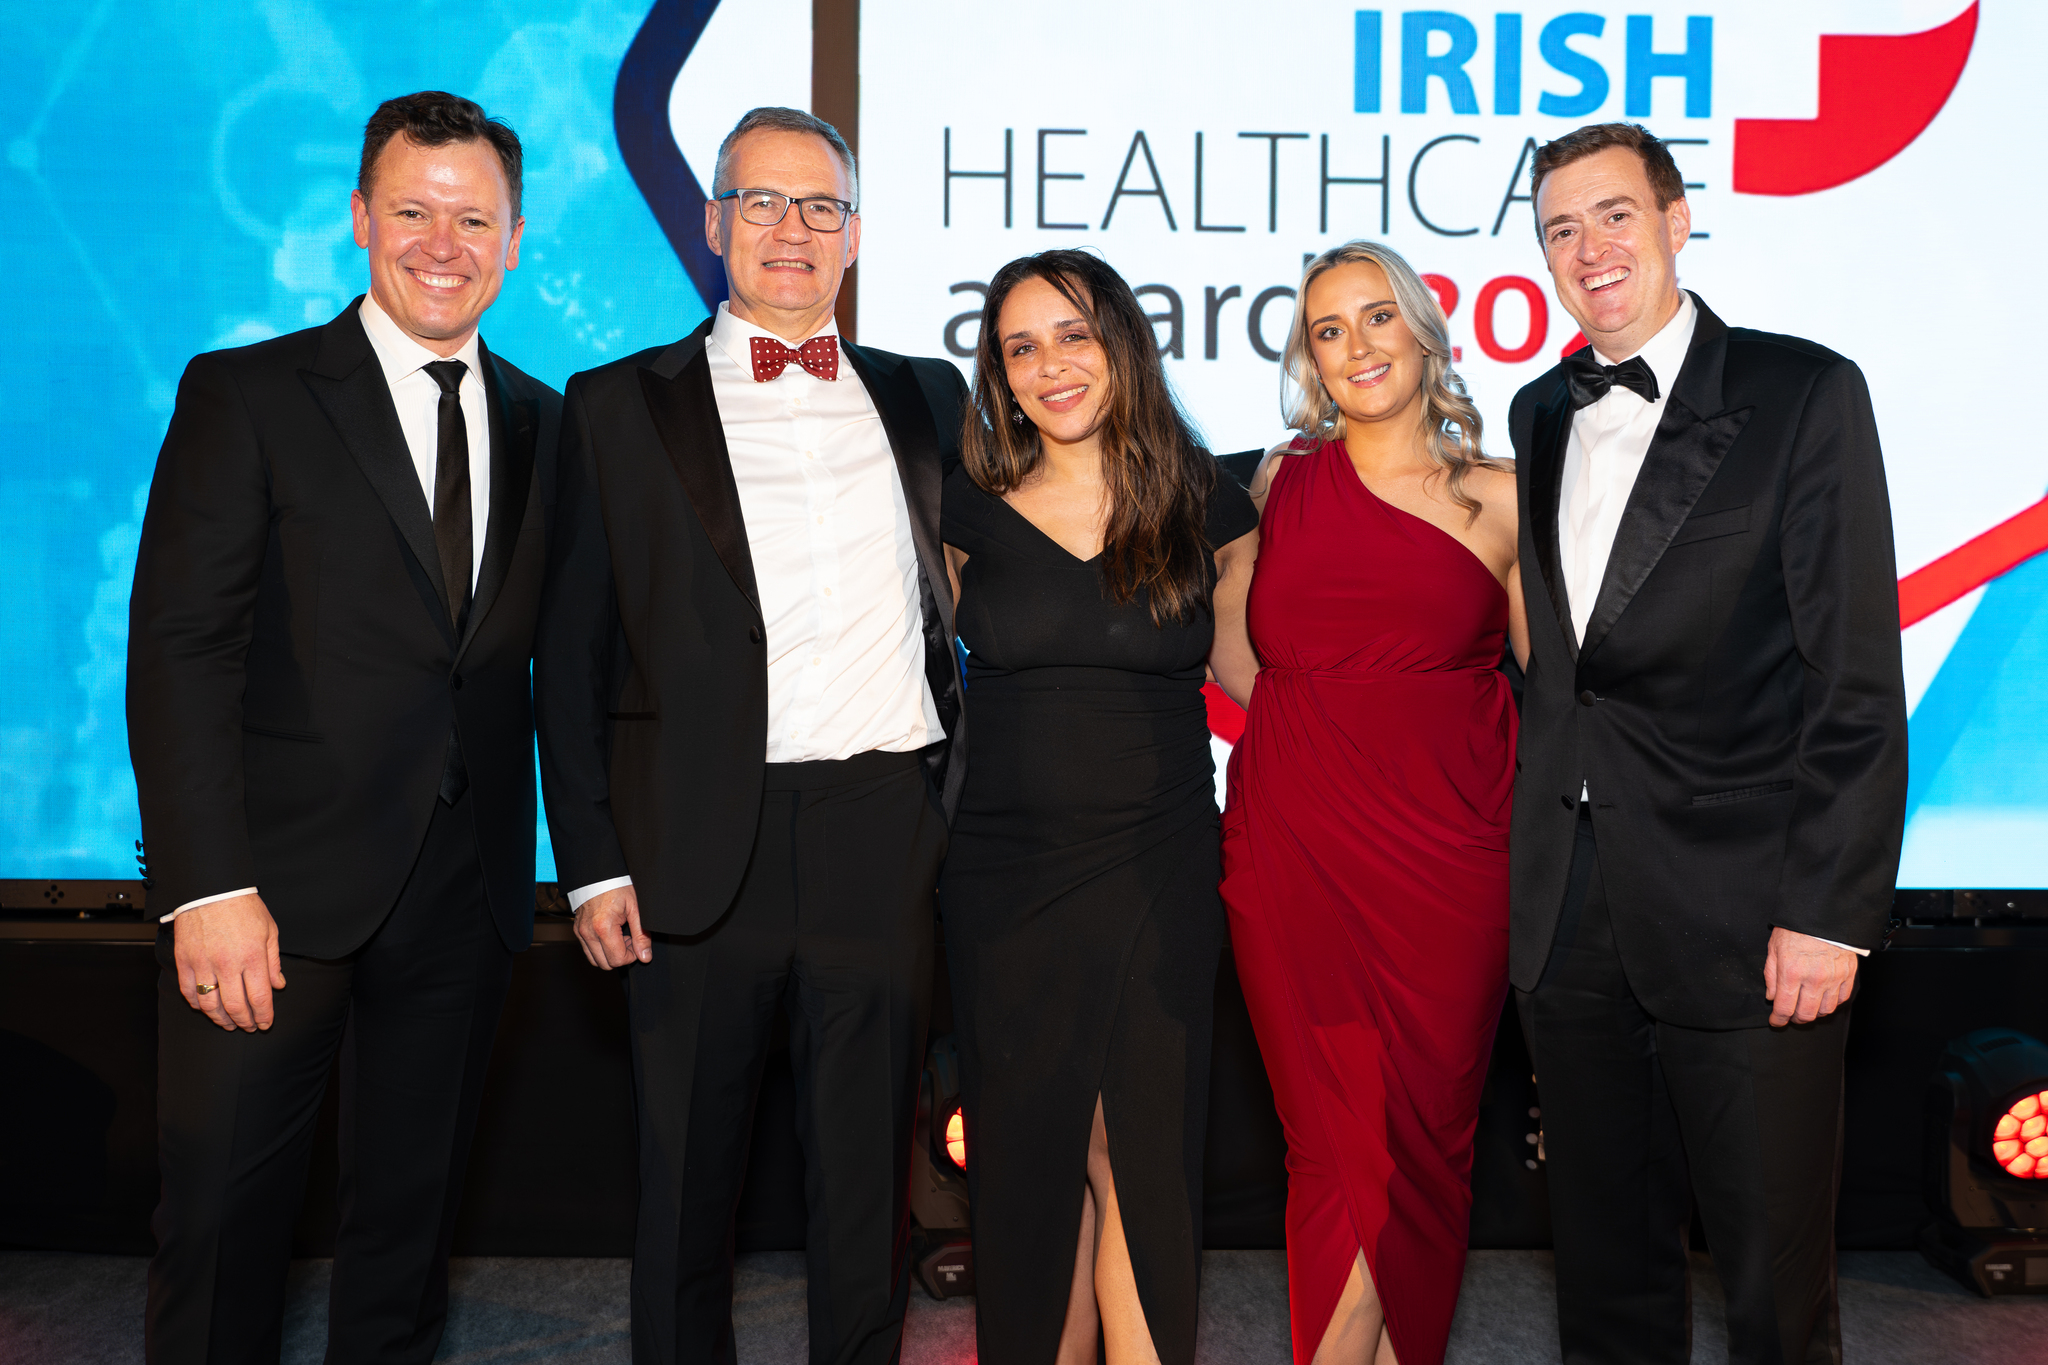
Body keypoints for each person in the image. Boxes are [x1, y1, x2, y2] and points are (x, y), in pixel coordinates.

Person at [128, 92, 558, 1362]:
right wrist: (206, 885)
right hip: (266, 898)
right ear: (361, 218)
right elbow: (180, 651)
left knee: (406, 1243)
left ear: (515, 238)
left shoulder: (546, 421)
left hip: (464, 897)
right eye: (414, 211)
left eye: (473, 219)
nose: (443, 244)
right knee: (222, 1231)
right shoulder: (247, 393)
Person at [534, 106, 968, 1365]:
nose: (791, 228)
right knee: (684, 1185)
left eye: (818, 205)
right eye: (762, 202)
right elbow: (569, 653)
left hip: (881, 835)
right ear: (713, 222)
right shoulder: (615, 403)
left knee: (866, 1187)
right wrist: (591, 864)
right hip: (687, 845)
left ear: (853, 235)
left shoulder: (926, 394)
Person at [1507, 122, 1907, 1365]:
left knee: (1770, 1293)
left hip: (1749, 915)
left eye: (1613, 214)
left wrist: (1827, 913)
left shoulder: (1801, 393)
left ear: (1676, 222)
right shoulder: (1537, 412)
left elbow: (1851, 675)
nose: (1588, 247)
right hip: (1569, 912)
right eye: (1560, 228)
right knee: (1604, 1283)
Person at [938, 250, 1259, 1365]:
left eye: (1072, 335)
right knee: (1030, 1161)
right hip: (1002, 878)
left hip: (1158, 869)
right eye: (1019, 347)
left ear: (1121, 340)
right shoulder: (961, 508)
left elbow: (1259, 681)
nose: (1049, 366)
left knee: (1142, 1159)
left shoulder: (1210, 502)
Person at [1220, 240, 1522, 1365]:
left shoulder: (1501, 497)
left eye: (1376, 316)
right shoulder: (1275, 483)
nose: (1356, 345)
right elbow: (1232, 650)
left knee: (1422, 1139)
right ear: (1309, 356)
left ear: (1422, 330)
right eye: (1328, 329)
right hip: (1291, 844)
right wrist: (1322, 724)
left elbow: (1561, 688)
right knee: (1324, 1144)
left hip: (1450, 860)